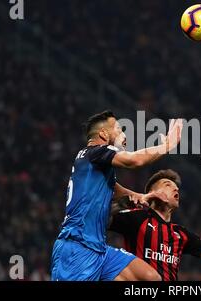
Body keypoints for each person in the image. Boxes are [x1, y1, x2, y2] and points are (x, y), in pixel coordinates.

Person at [51, 111, 183, 281]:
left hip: (99, 249)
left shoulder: (94, 164)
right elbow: (134, 161)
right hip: (78, 248)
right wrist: (167, 145)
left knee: (150, 277)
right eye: (119, 130)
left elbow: (112, 188)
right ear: (103, 134)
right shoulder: (95, 151)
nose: (123, 135)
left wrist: (139, 196)